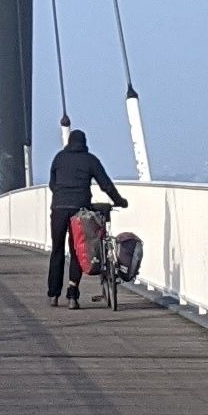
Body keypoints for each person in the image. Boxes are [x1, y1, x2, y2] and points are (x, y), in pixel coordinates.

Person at [44, 127, 125, 306]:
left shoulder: (59, 158)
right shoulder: (90, 160)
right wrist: (120, 200)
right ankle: (72, 294)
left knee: (57, 249)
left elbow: (52, 184)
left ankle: (53, 294)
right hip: (79, 210)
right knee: (76, 250)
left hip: (58, 208)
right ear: (84, 143)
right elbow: (106, 185)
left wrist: (61, 195)